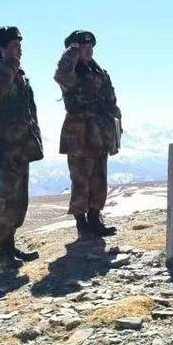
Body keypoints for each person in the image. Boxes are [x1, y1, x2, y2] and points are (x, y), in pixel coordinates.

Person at [0, 26, 44, 271]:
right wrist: (9, 66)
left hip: (22, 147)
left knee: (19, 201)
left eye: (20, 45)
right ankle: (3, 252)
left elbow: (30, 111)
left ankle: (11, 245)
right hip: (5, 149)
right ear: (1, 49)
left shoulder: (20, 75)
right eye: (14, 46)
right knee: (5, 201)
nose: (19, 50)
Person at [55, 30, 122, 238]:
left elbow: (111, 101)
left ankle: (95, 219)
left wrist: (117, 125)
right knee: (81, 180)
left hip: (100, 133)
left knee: (99, 179)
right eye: (83, 47)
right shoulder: (71, 73)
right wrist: (71, 53)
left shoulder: (99, 72)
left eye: (91, 46)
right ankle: (82, 223)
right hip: (79, 135)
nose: (89, 50)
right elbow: (61, 75)